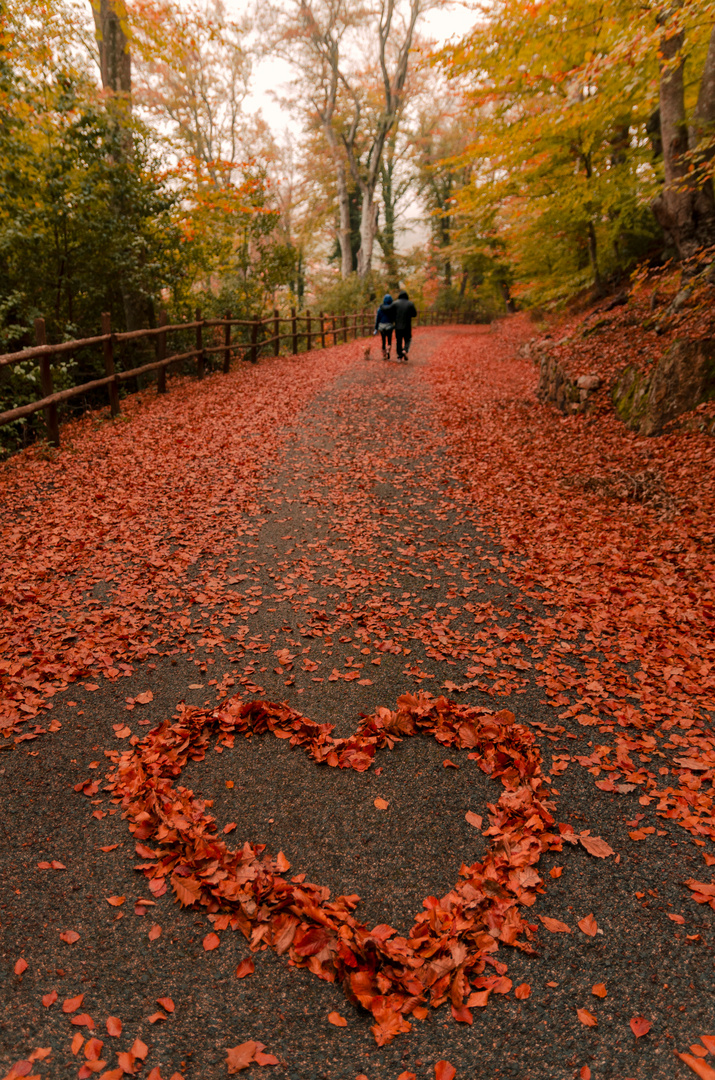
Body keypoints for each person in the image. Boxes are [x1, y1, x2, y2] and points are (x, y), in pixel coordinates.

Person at [386, 290, 417, 362]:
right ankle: (405, 350)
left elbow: (388, 310)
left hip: (398, 326)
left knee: (399, 341)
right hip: (407, 326)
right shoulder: (410, 304)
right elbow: (414, 314)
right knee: (407, 339)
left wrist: (382, 307)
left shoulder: (395, 303)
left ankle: (399, 356)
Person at [374, 293, 395, 359]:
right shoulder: (392, 308)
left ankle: (384, 354)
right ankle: (388, 349)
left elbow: (378, 319)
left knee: (383, 341)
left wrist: (376, 328)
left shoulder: (380, 309)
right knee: (389, 340)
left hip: (381, 327)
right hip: (389, 326)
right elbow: (394, 318)